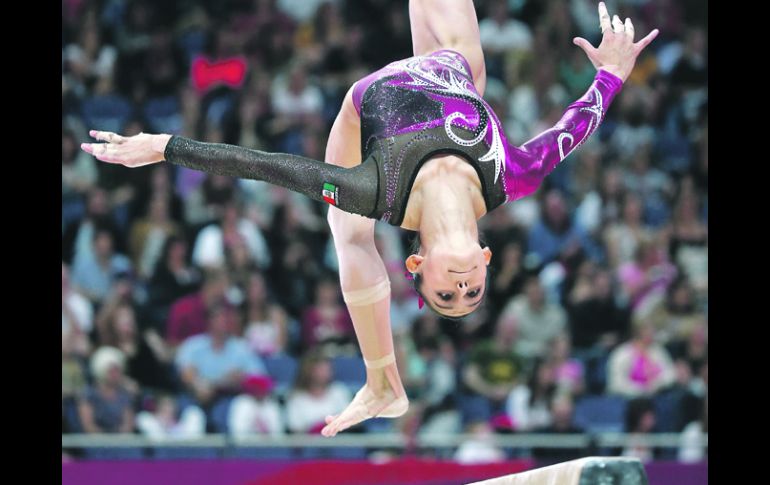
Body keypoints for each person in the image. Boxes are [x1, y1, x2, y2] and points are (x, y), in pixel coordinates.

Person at [82, 1, 657, 435]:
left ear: (418, 262)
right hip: (455, 64)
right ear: (485, 259)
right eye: (471, 294)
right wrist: (611, 73)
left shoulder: (372, 190)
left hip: (361, 115)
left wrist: (166, 147)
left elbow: (268, 166)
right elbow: (572, 129)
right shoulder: (512, 174)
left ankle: (382, 379)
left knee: (349, 234)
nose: (461, 292)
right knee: (471, 64)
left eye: (445, 296)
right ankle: (383, 382)